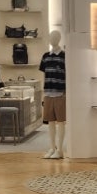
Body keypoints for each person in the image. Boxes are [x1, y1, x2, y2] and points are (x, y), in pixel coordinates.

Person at [39, 30, 66, 158]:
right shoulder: (45, 56)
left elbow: (67, 75)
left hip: (60, 93)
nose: (52, 39)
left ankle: (60, 150)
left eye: (55, 37)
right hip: (48, 93)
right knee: (50, 122)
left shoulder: (64, 56)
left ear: (59, 39)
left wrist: (66, 93)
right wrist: (43, 92)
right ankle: (52, 147)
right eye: (50, 37)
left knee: (60, 122)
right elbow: (44, 75)